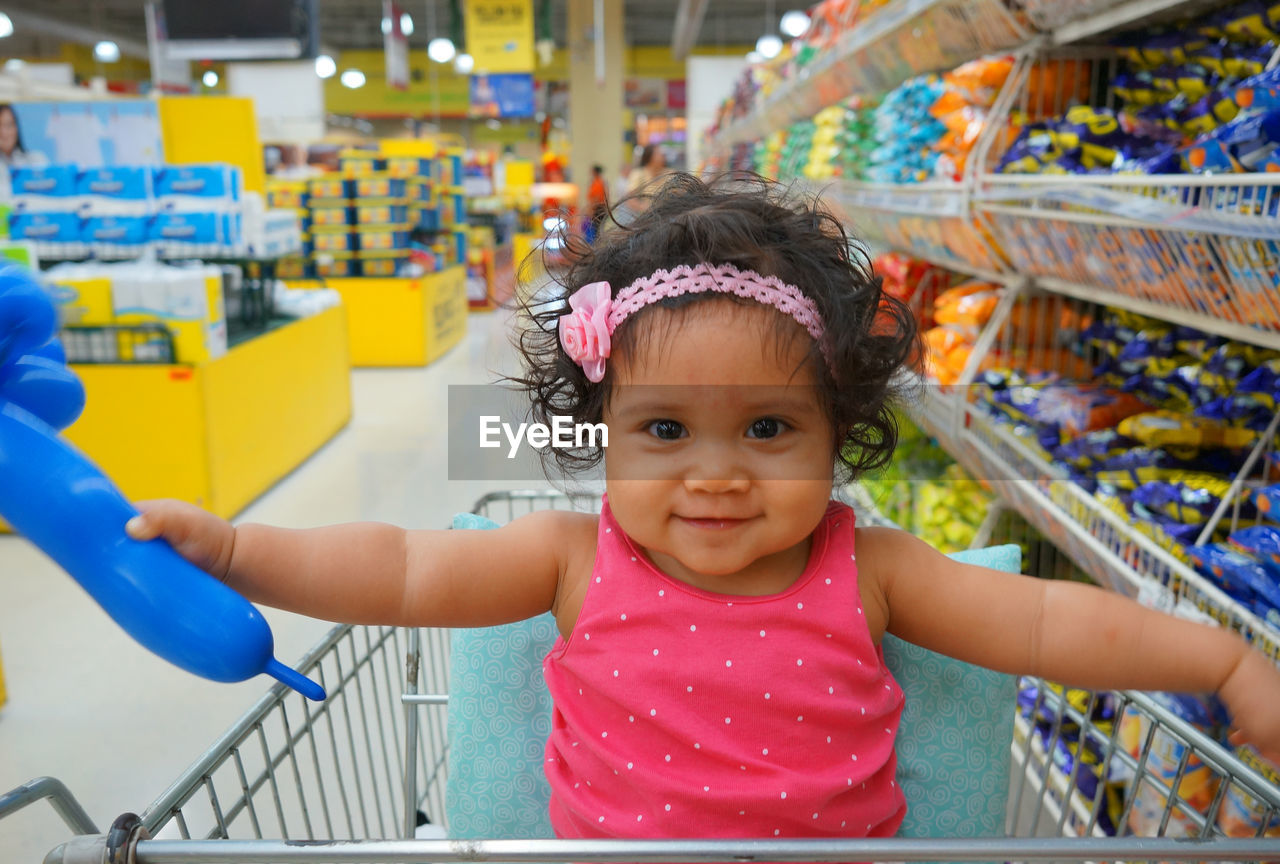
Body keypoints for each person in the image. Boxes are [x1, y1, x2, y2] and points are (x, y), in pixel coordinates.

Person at [127, 174, 1280, 841]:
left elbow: (1041, 626)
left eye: (768, 430)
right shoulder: (566, 560)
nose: (714, 475)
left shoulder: (868, 566)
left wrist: (1219, 665)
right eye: (664, 431)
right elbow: (398, 569)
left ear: (838, 434)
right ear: (604, 432)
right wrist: (236, 548)